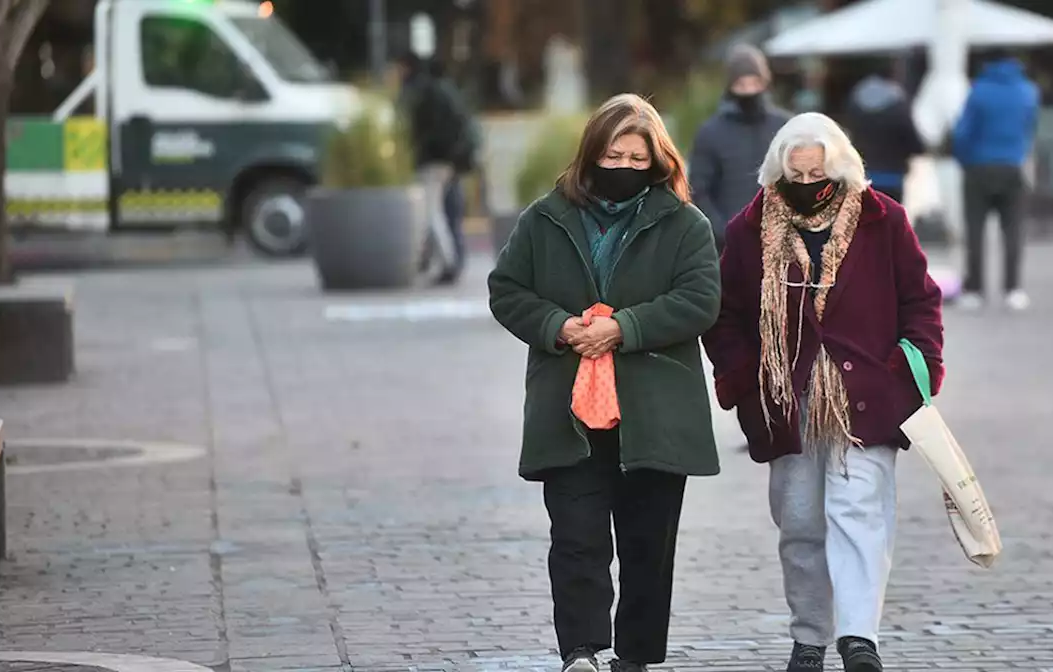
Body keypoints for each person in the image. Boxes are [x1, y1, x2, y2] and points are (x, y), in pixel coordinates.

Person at [487, 94, 722, 672]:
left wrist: (624, 327)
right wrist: (557, 326)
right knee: (576, 539)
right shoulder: (544, 218)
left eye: (636, 158)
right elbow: (507, 289)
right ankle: (582, 652)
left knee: (648, 547)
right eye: (612, 154)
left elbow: (700, 300)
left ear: (658, 160)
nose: (622, 167)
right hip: (568, 410)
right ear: (591, 153)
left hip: (656, 411)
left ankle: (635, 658)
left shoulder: (685, 224)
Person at [702, 113, 945, 672]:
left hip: (868, 394)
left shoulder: (884, 220)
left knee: (860, 513)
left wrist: (915, 372)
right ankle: (810, 635)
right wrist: (743, 379)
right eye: (796, 173)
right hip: (786, 401)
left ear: (840, 167)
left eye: (819, 173)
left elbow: (920, 300)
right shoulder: (749, 228)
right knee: (801, 522)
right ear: (777, 171)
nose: (809, 184)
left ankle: (859, 638)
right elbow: (727, 315)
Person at [951, 50, 1040, 311]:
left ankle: (975, 290)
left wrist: (964, 159)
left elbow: (963, 133)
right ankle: (1013, 289)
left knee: (975, 231)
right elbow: (1030, 128)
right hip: (1012, 166)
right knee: (1013, 230)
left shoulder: (978, 91)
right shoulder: (1028, 92)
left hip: (978, 168)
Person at [690, 44, 792, 251]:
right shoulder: (711, 132)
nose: (749, 91)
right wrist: (723, 232)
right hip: (727, 246)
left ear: (765, 82)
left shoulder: (785, 127)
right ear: (730, 87)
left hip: (780, 244)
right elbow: (699, 190)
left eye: (754, 83)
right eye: (741, 84)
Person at [398, 52, 481, 285]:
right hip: (450, 161)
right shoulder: (450, 91)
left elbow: (424, 129)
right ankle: (439, 259)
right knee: (445, 211)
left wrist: (420, 149)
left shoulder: (426, 92)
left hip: (434, 160)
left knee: (432, 212)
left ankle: (447, 261)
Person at [841, 65, 925, 203]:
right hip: (893, 178)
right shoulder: (898, 103)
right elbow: (914, 143)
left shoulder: (855, 101)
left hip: (863, 177)